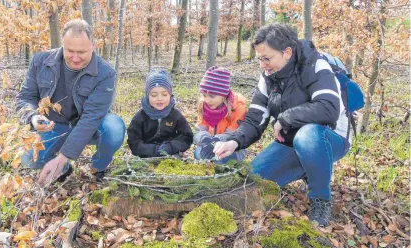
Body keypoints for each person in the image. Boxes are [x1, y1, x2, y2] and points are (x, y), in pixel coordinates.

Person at [214, 24, 351, 227]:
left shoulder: (314, 65)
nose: (263, 65)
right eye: (259, 59)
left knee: (307, 135)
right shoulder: (268, 78)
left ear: (286, 52)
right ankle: (308, 167)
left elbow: (328, 108)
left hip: (328, 138)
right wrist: (234, 141)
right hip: (290, 141)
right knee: (252, 182)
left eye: (266, 58)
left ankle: (320, 199)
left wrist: (285, 118)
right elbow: (255, 118)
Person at [16, 19, 125, 186]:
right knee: (28, 159)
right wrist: (32, 117)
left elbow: (91, 118)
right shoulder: (40, 62)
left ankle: (98, 168)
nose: (75, 58)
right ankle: (64, 168)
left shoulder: (105, 73)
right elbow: (25, 97)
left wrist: (62, 156)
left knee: (114, 127)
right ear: (63, 45)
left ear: (93, 47)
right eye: (70, 51)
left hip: (88, 127)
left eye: (81, 52)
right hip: (53, 125)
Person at [127, 69, 193, 157]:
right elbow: (134, 142)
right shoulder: (140, 117)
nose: (159, 98)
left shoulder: (176, 115)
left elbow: (186, 137)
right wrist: (155, 150)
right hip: (145, 156)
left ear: (170, 94)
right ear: (147, 96)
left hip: (171, 155)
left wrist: (170, 147)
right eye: (154, 95)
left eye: (164, 94)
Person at [193, 66, 247, 164]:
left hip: (232, 148)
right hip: (210, 144)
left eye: (212, 96)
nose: (207, 100)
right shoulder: (204, 106)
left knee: (221, 160)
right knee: (198, 153)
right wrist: (205, 139)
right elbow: (198, 132)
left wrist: (216, 140)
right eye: (204, 95)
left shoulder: (238, 109)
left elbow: (234, 135)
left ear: (223, 94)